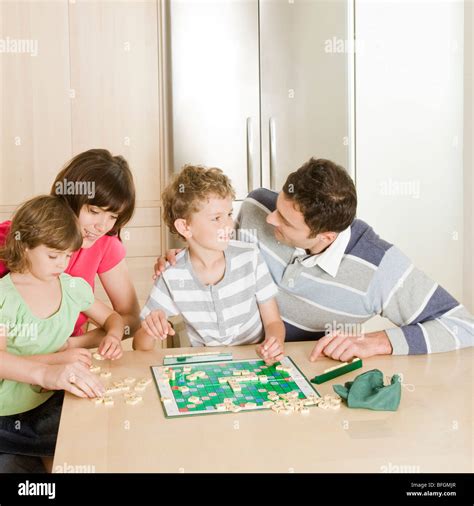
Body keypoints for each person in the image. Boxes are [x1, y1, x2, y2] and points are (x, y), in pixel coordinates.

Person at [154, 158, 473, 361]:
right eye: (279, 205)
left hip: (307, 374)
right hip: (237, 361)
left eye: (286, 222)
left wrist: (375, 342)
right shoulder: (255, 208)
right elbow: (221, 255)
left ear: (325, 237)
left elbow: (461, 325)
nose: (271, 220)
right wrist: (183, 256)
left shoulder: (378, 267)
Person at [0, 196, 124, 472]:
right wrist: (52, 364)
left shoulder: (71, 287)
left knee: (97, 447)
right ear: (24, 245)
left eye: (68, 255)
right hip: (8, 415)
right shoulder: (4, 297)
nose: (62, 264)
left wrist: (113, 336)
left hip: (52, 401)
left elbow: (113, 318)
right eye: (53, 255)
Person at [133, 165, 285, 364]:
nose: (229, 225)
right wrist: (149, 328)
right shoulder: (172, 275)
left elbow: (273, 321)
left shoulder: (250, 257)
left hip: (256, 360)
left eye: (229, 214)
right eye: (216, 218)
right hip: (208, 366)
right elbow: (140, 345)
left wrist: (275, 342)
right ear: (185, 227)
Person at [0, 149, 140, 348]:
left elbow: (130, 321)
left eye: (113, 216)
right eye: (94, 211)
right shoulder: (14, 237)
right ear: (69, 198)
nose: (102, 226)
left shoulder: (104, 242)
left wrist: (68, 345)